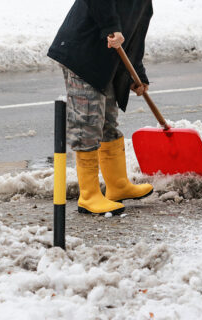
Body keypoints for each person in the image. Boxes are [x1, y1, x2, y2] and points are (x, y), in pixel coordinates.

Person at [47, 0, 154, 215]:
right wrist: (111, 27)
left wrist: (138, 74)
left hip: (106, 64)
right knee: (87, 122)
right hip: (82, 55)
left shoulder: (144, 4)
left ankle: (118, 185)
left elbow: (135, 38)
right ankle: (89, 195)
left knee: (108, 122)